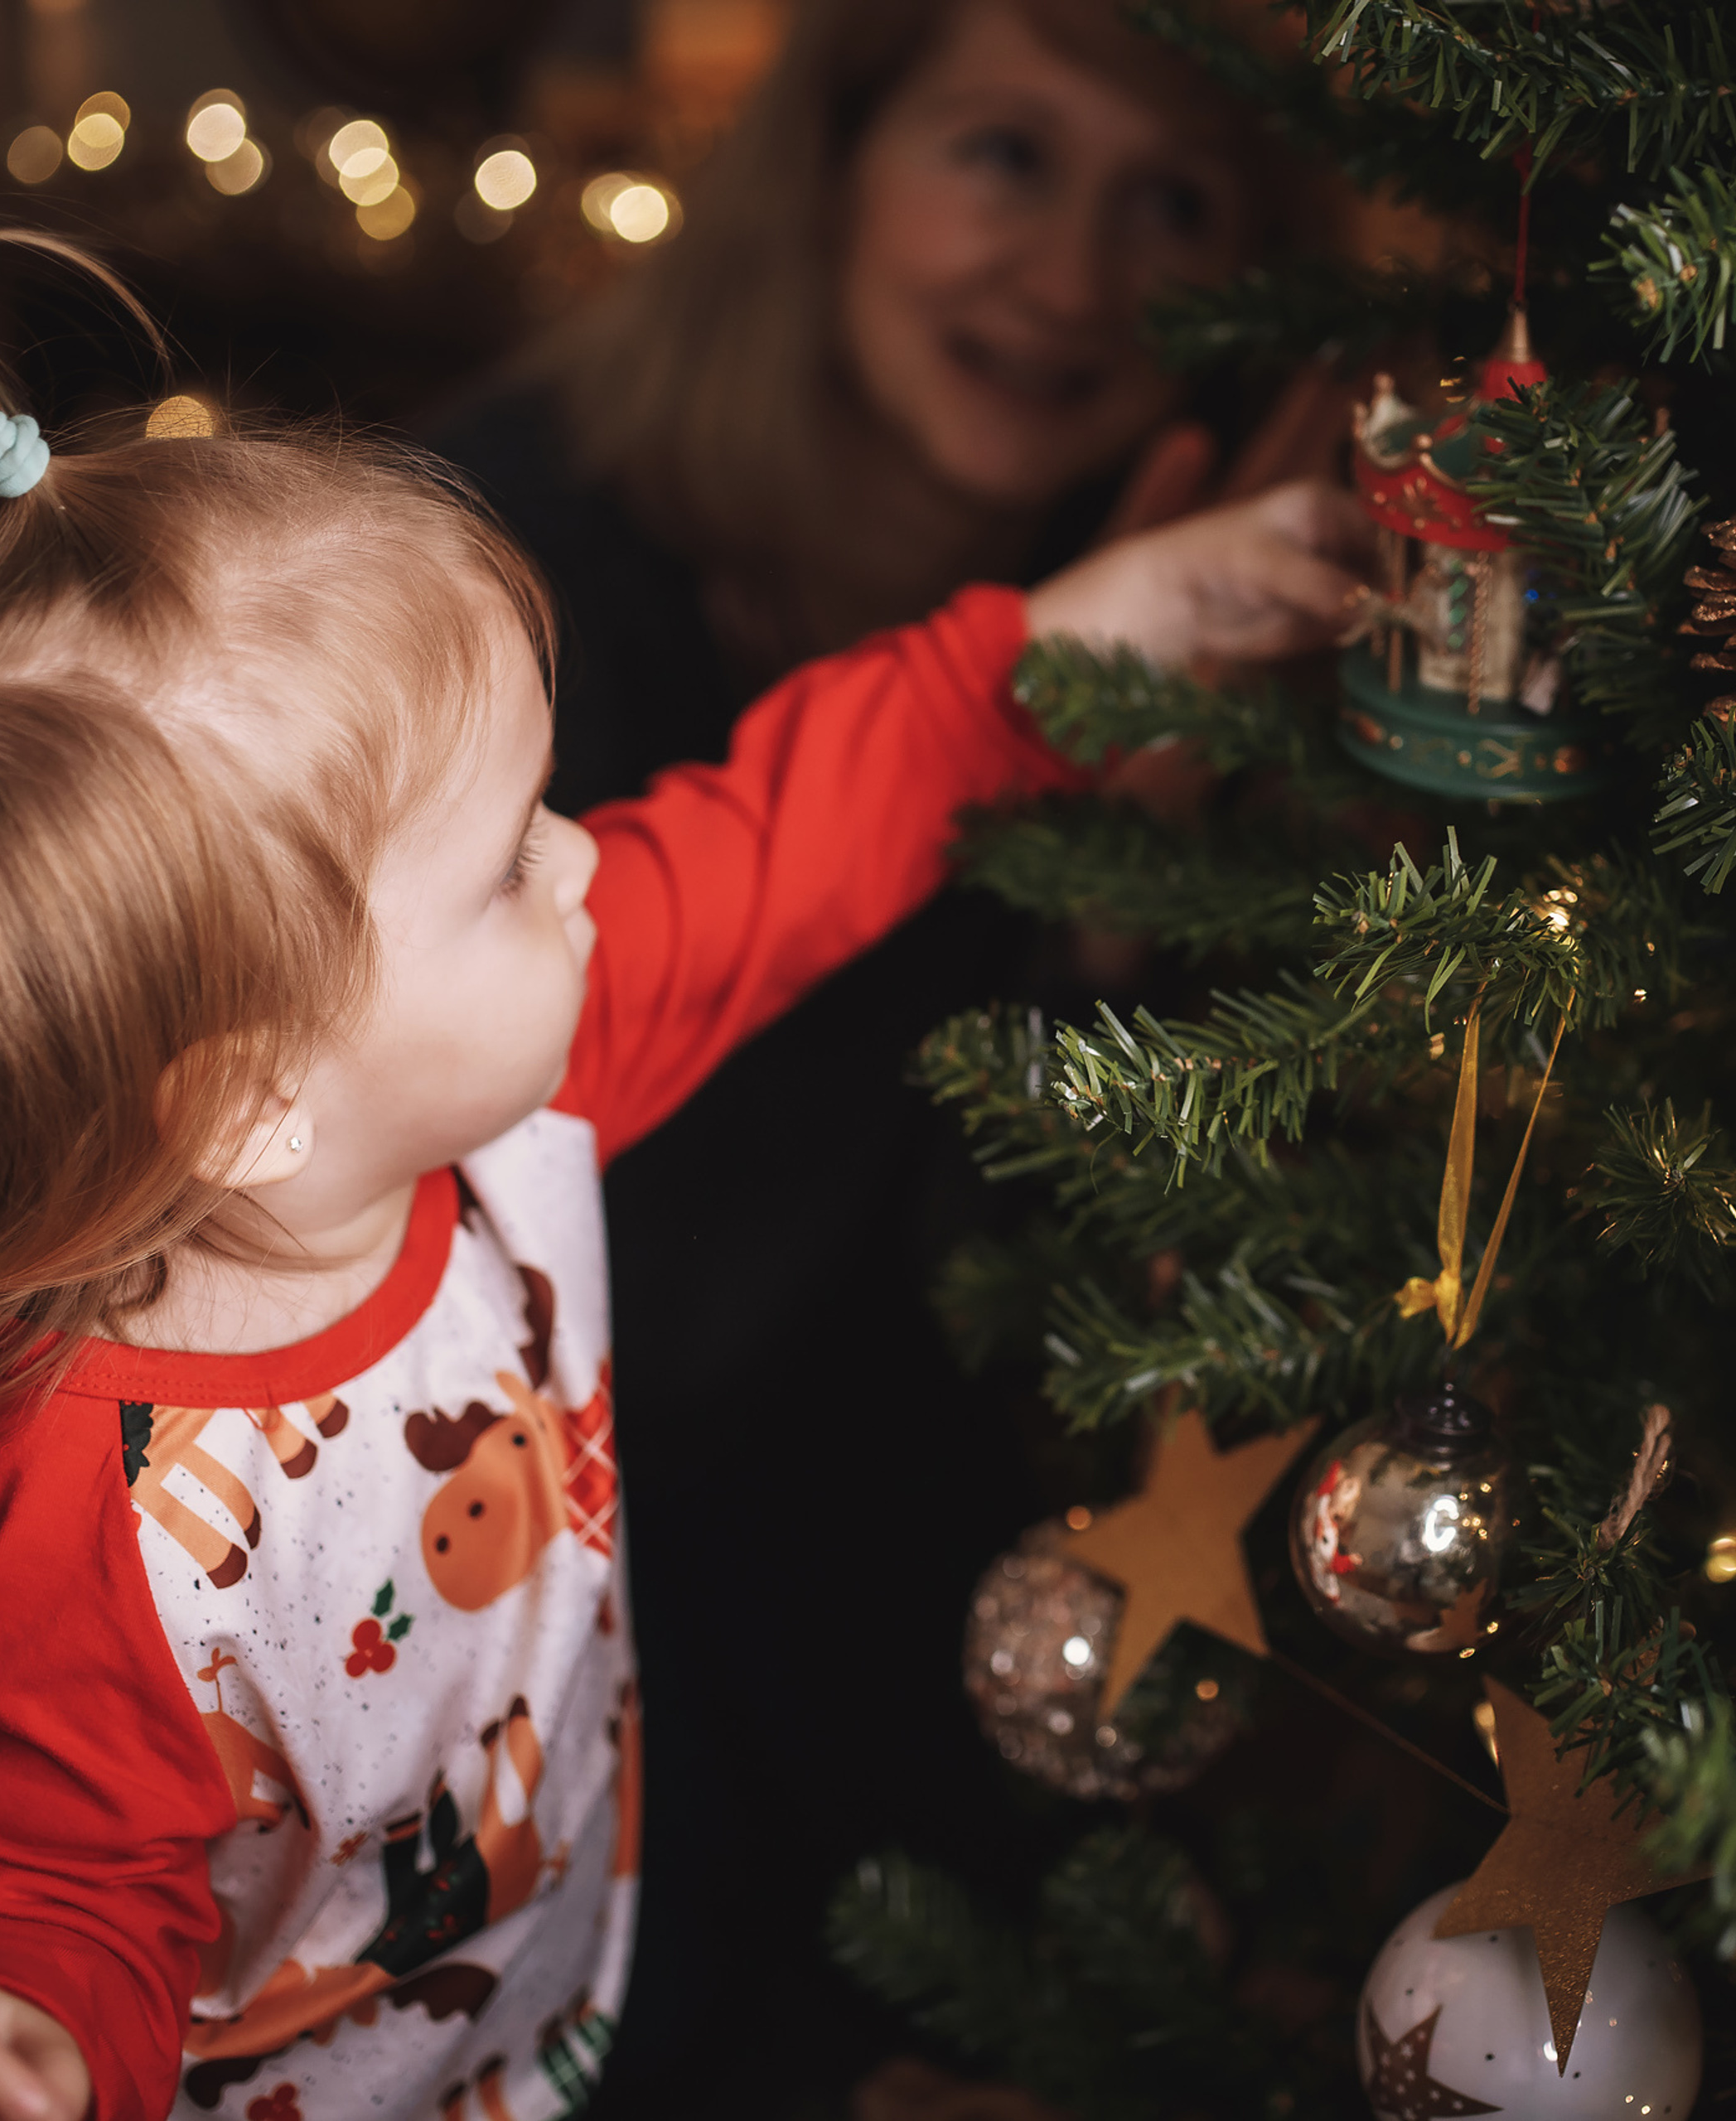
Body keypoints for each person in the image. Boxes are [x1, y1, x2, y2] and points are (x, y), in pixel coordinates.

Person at [0, 274, 1366, 2121]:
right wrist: (42, 2037)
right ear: (252, 1093)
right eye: (500, 861)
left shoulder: (488, 1082)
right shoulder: (82, 1525)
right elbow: (66, 1893)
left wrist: (1082, 631)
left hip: (566, 1926)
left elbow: (784, 834)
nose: (579, 856)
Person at [429, 6, 1350, 2083]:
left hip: (867, 1640)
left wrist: (1120, 907)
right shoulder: (492, 583)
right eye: (1006, 155)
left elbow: (1049, 1348)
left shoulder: (1175, 607)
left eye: (1176, 202)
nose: (1075, 277)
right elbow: (635, 1299)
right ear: (830, 164)